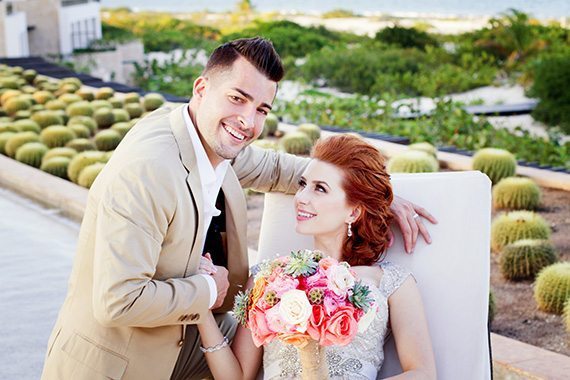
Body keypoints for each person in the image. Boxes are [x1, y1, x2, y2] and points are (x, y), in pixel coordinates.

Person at [41, 37, 435, 380]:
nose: (248, 121)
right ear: (201, 88)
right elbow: (117, 301)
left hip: (183, 341)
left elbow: (274, 166)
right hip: (116, 362)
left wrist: (368, 192)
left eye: (262, 109)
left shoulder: (212, 141)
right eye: (237, 97)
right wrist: (210, 288)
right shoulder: (147, 171)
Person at [196, 134, 437, 379]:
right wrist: (200, 305)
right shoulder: (266, 278)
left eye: (320, 188)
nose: (301, 198)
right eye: (302, 184)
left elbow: (423, 373)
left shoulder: (392, 281)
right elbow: (237, 377)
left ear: (354, 212)